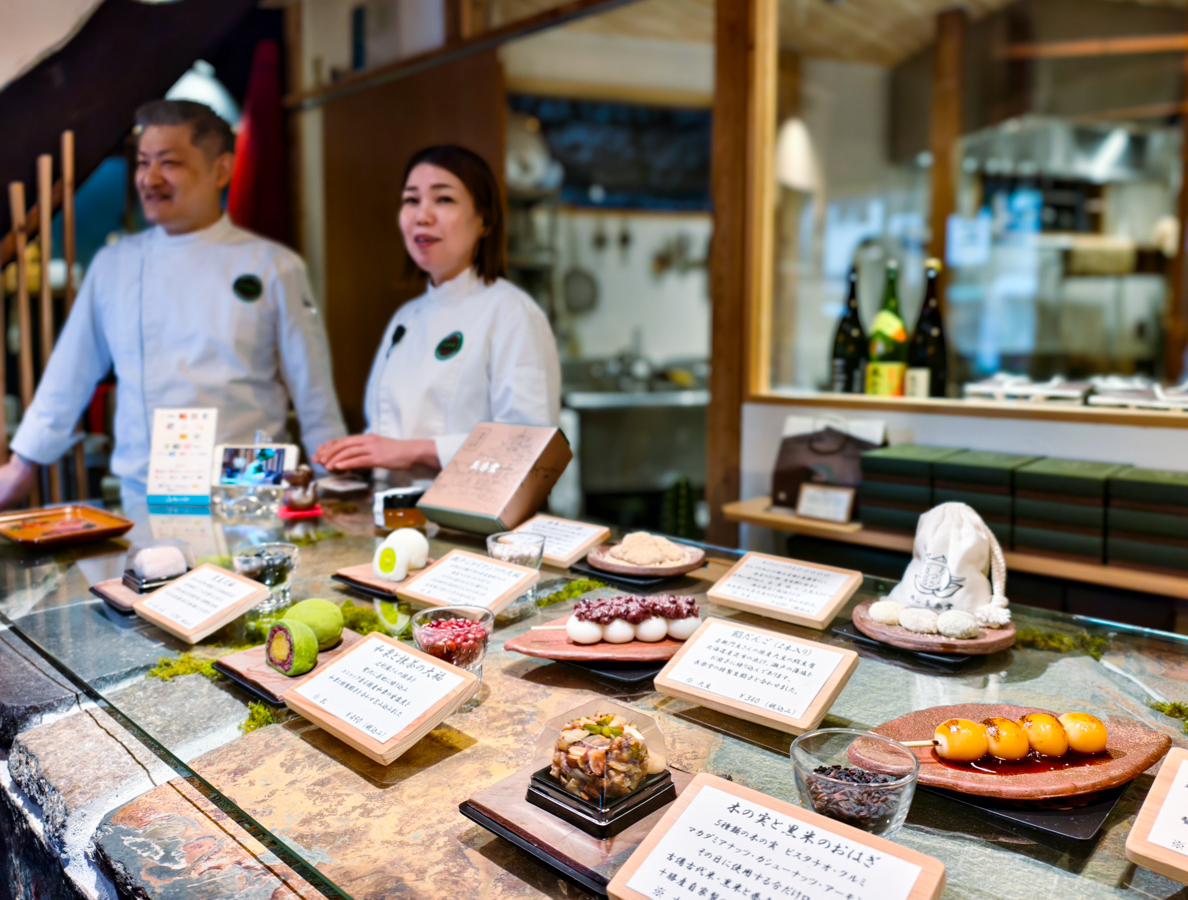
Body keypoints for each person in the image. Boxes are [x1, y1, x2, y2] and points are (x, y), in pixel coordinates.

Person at [0, 100, 346, 507]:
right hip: (147, 492)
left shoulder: (274, 266)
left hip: (252, 492)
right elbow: (69, 373)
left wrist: (336, 482)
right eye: (143, 163)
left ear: (221, 169)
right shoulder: (114, 265)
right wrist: (22, 466)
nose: (150, 178)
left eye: (169, 163)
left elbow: (313, 391)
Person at [313, 145, 560, 480]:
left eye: (443, 200)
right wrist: (355, 456)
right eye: (411, 200)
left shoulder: (512, 312)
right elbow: (388, 434)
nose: (422, 215)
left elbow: (529, 446)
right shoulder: (406, 318)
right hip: (394, 519)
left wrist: (413, 450)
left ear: (484, 220)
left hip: (466, 527)